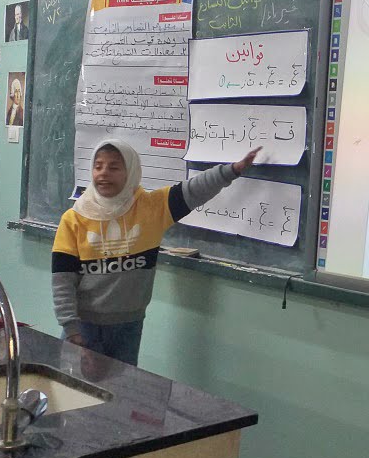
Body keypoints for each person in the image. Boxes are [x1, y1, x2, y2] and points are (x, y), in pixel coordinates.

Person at [51, 139, 260, 366]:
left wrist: (232, 170)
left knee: (122, 387)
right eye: (98, 166)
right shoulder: (74, 219)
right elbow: (62, 281)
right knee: (73, 386)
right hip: (83, 326)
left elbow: (194, 189)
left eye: (114, 167)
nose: (103, 173)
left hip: (129, 326)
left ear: (130, 172)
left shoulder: (150, 208)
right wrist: (71, 329)